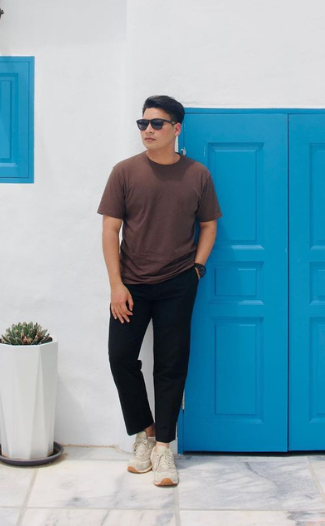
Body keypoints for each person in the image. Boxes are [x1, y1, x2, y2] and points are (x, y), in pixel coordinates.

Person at [97, 95, 221, 487]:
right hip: (131, 285)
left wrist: (197, 269)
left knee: (170, 364)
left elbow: (209, 225)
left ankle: (164, 447)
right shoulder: (124, 172)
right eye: (142, 123)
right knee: (121, 358)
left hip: (178, 284)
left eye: (156, 124)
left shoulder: (197, 174)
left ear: (176, 129)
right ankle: (145, 434)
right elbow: (109, 231)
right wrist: (117, 285)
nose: (147, 130)